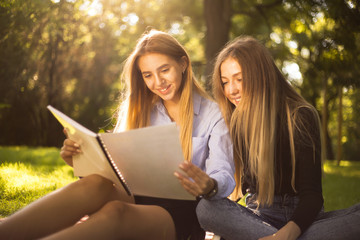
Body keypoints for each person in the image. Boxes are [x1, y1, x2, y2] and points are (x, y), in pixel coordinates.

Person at [0, 30, 235, 240]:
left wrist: (209, 184)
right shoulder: (141, 109)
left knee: (115, 213)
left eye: (164, 70)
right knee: (94, 184)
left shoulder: (213, 115)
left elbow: (223, 173)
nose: (158, 82)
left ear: (183, 64)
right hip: (136, 195)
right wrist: (80, 160)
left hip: (181, 212)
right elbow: (116, 171)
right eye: (148, 75)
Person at [196, 36, 360, 240]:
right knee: (206, 208)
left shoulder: (300, 115)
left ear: (261, 75)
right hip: (259, 216)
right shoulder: (237, 120)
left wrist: (285, 235)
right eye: (225, 82)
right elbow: (244, 186)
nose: (231, 90)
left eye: (239, 79)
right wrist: (218, 217)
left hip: (302, 220)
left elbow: (312, 196)